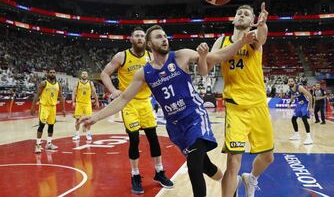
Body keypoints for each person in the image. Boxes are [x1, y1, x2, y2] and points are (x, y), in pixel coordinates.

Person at [79, 25, 256, 197]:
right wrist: (95, 117)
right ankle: (235, 182)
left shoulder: (181, 55)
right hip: (176, 127)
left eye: (165, 36)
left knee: (194, 167)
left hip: (194, 117)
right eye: (159, 37)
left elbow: (215, 58)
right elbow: (124, 99)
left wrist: (239, 43)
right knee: (205, 166)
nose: (164, 39)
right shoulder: (144, 73)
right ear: (149, 44)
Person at [211, 2, 274, 197]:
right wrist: (238, 43)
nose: (241, 15)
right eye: (239, 13)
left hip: (258, 104)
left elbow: (262, 37)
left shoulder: (254, 39)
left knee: (268, 157)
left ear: (252, 20)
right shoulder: (222, 41)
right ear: (233, 19)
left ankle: (251, 178)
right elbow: (212, 59)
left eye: (246, 14)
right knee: (233, 162)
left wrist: (263, 24)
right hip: (235, 106)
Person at [100, 27, 173, 194]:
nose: (140, 38)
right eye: (137, 36)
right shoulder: (122, 56)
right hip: (129, 103)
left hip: (146, 103)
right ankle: (135, 174)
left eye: (142, 36)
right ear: (131, 39)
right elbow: (105, 74)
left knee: (153, 139)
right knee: (134, 140)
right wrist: (113, 91)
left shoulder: (150, 56)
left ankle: (159, 172)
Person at [30, 69, 66, 153]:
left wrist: (63, 109)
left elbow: (61, 97)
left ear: (55, 74)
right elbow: (37, 95)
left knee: (51, 126)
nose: (52, 74)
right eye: (51, 72)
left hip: (53, 107)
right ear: (48, 74)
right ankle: (38, 145)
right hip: (44, 106)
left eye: (54, 72)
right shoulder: (44, 83)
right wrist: (33, 107)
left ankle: (49, 143)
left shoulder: (58, 84)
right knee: (41, 125)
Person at [72, 71, 100, 141]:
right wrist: (73, 101)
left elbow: (94, 92)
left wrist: (97, 101)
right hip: (79, 103)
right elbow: (74, 93)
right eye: (83, 74)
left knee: (88, 120)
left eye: (85, 74)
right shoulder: (77, 83)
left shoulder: (90, 83)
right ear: (81, 75)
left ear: (87, 75)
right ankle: (77, 134)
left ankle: (88, 134)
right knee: (77, 119)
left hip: (87, 103)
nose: (84, 75)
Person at [288, 77, 314, 145]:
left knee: (304, 119)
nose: (290, 82)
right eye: (289, 81)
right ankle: (296, 135)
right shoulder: (290, 88)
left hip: (306, 103)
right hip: (300, 104)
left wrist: (311, 107)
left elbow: (310, 96)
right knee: (293, 119)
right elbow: (292, 96)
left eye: (291, 81)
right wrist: (290, 103)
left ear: (294, 82)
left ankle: (309, 138)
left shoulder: (300, 88)